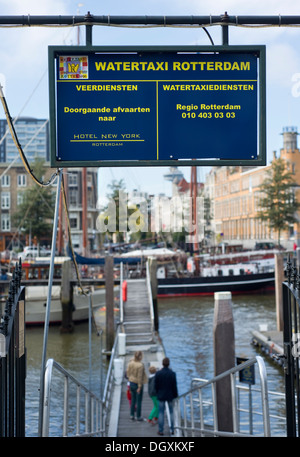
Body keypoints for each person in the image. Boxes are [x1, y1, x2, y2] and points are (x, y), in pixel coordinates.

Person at [155, 357, 178, 435]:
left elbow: (156, 385)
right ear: (169, 364)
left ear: (162, 364)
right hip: (170, 395)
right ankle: (172, 429)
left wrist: (157, 393)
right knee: (171, 412)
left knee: (161, 412)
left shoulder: (158, 374)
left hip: (161, 395)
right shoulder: (172, 374)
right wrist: (175, 395)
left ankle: (161, 430)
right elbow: (174, 386)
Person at [126, 351, 147, 421]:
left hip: (131, 383)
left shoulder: (130, 363)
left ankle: (131, 415)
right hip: (137, 384)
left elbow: (128, 373)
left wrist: (130, 378)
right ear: (140, 357)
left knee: (133, 400)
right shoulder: (140, 365)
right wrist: (140, 386)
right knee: (139, 401)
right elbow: (140, 377)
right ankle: (138, 416)